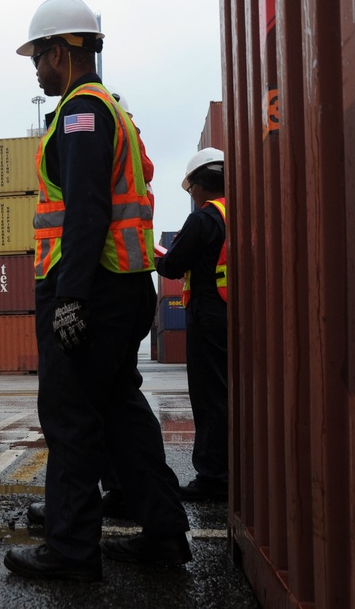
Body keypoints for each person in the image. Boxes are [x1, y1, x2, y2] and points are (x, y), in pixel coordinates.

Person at [3, 0, 191, 582]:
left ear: (62, 52)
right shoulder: (111, 111)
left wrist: (70, 299)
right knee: (119, 412)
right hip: (125, 288)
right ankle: (164, 533)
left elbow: (86, 211)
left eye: (38, 56)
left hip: (93, 289)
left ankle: (72, 550)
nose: (35, 68)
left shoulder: (82, 113)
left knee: (71, 417)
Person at [154, 148, 229, 501]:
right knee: (230, 394)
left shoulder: (203, 219)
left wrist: (158, 255)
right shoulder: (236, 214)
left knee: (209, 396)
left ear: (199, 185)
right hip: (234, 313)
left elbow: (172, 266)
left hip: (208, 315)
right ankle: (235, 468)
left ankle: (213, 478)